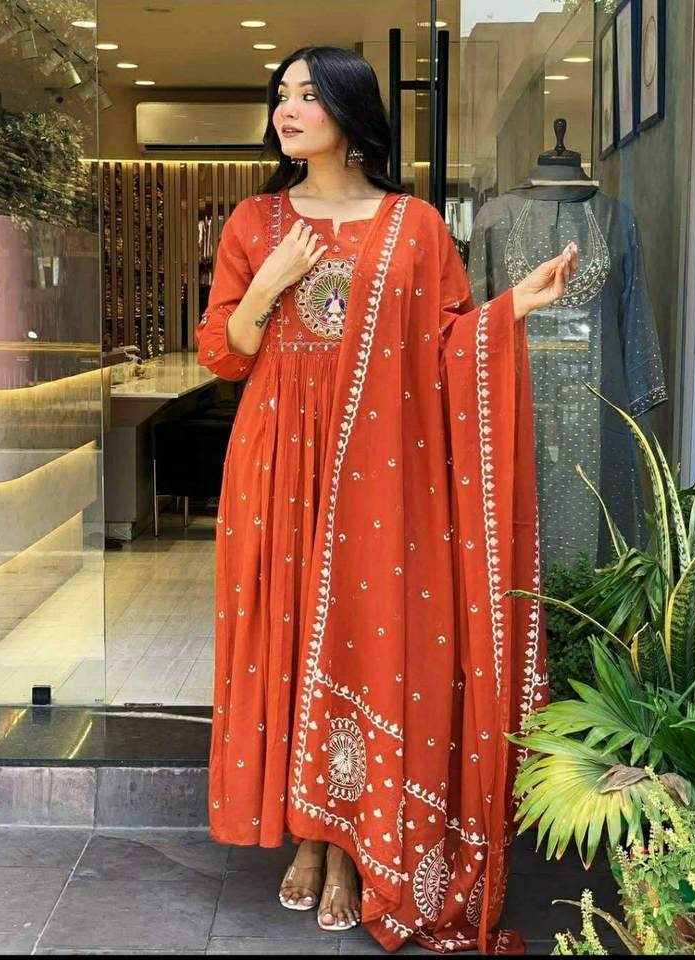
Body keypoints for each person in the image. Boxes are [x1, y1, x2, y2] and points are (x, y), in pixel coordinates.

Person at [195, 46, 578, 954]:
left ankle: (350, 846)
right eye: (281, 95)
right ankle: (309, 834)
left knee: (369, 639)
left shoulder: (414, 227)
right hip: (278, 460)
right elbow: (223, 352)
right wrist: (272, 282)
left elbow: (447, 347)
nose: (288, 109)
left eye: (308, 94)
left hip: (382, 470)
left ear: (350, 110)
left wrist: (511, 311)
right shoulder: (256, 221)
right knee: (286, 630)